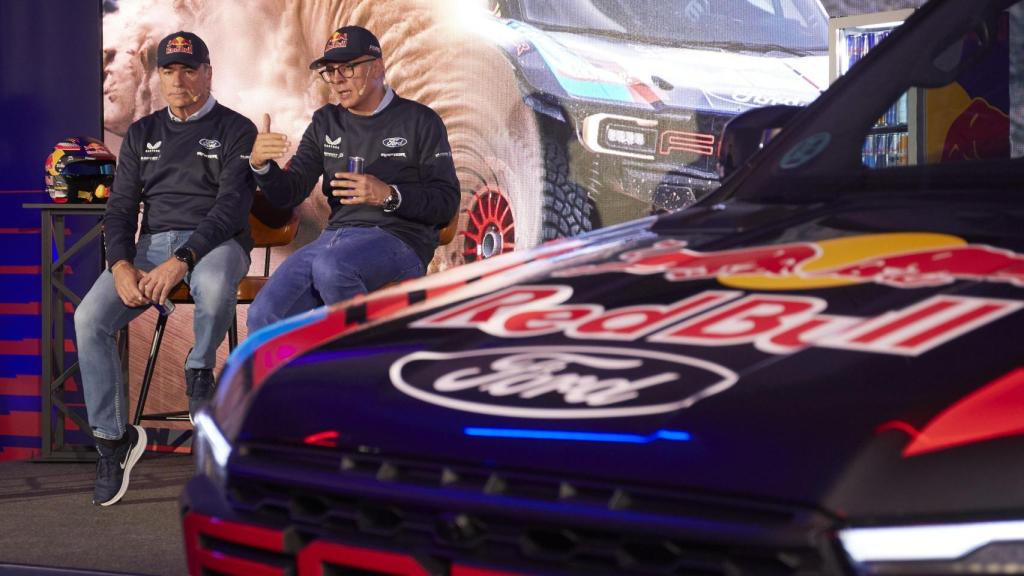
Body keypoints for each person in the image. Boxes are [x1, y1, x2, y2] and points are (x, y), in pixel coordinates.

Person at [74, 31, 257, 506]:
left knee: (215, 285)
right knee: (88, 319)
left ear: (208, 73)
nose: (178, 79)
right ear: (159, 76)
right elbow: (119, 210)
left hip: (217, 243)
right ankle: (113, 441)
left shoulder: (237, 129)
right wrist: (119, 265)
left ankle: (199, 372)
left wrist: (183, 260)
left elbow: (230, 209)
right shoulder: (141, 132)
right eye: (169, 70)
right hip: (150, 247)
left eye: (188, 69)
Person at [246, 25, 459, 331]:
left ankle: (359, 368)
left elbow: (445, 203)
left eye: (347, 68)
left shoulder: (420, 120)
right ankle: (301, 379)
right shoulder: (325, 122)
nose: (337, 79)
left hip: (402, 240)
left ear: (377, 67)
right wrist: (262, 166)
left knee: (333, 267)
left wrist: (388, 195)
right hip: (334, 239)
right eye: (331, 71)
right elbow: (289, 194)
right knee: (264, 315)